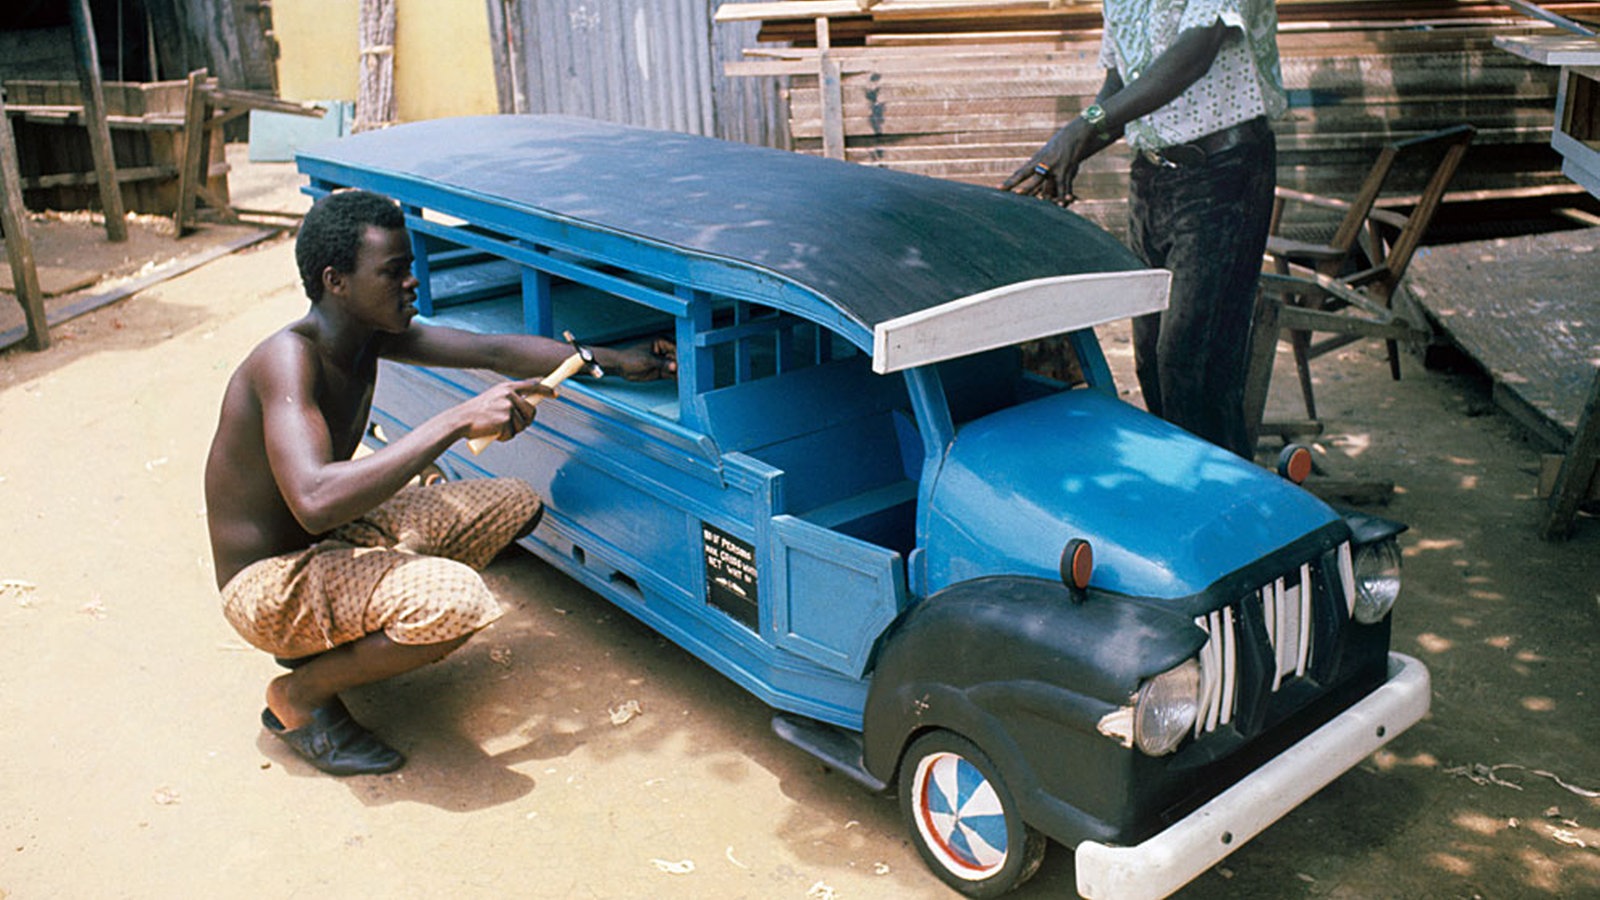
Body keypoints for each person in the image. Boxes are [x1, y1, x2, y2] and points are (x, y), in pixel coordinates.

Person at [204, 189, 676, 776]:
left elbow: (497, 350)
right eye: (394, 272)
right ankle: (298, 699)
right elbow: (315, 501)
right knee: (454, 601)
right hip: (269, 582)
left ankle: (334, 635)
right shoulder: (287, 360)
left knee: (512, 502)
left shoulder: (367, 334)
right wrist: (454, 421)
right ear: (337, 281)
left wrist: (608, 360)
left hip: (323, 543)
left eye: (411, 267)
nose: (413, 283)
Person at [1003, 0, 1285, 458]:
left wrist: (1083, 126)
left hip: (1223, 174)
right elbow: (1121, 85)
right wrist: (1061, 154)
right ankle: (1184, 491)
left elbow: (1196, 50)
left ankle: (1224, 504)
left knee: (1192, 364)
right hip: (1153, 176)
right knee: (1152, 361)